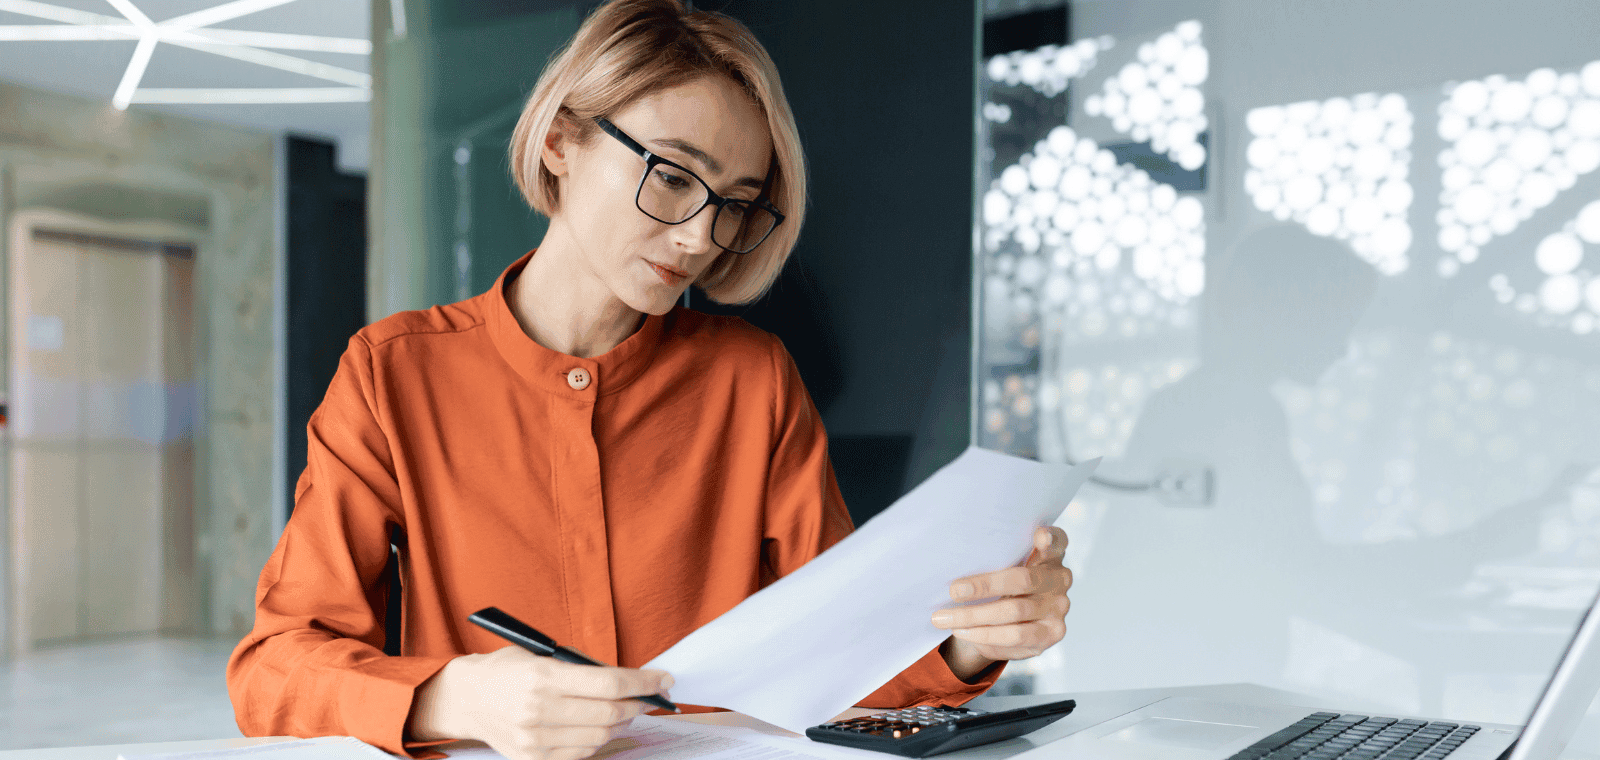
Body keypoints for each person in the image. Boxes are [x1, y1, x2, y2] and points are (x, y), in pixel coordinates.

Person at [225, 3, 1074, 759]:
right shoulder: (393, 375)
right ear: (561, 140)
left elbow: (839, 664)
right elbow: (274, 672)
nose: (703, 237)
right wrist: (460, 696)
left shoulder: (753, 381)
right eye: (672, 174)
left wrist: (973, 638)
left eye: (737, 201)